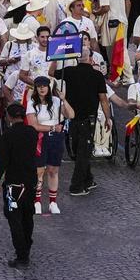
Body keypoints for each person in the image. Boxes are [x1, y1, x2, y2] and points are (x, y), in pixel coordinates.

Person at [57, 47, 108, 196]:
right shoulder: (97, 75)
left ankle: (88, 179)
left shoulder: (69, 72)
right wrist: (108, 118)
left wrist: (55, 57)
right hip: (88, 120)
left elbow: (51, 72)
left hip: (73, 118)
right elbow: (103, 99)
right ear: (91, 59)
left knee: (81, 150)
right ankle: (76, 186)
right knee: (83, 153)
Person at [0, 103, 38, 268]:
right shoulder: (32, 133)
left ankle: (22, 255)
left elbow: (3, 161)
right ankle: (27, 244)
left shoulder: (8, 136)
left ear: (10, 117)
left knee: (14, 218)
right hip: (30, 182)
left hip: (13, 184)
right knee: (28, 216)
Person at [26, 76, 74, 215]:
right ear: (36, 88)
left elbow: (71, 114)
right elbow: (33, 125)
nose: (42, 88)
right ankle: (37, 201)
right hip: (40, 138)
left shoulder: (57, 101)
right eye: (39, 86)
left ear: (48, 87)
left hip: (56, 139)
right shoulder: (32, 103)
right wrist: (53, 128)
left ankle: (53, 201)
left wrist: (64, 99)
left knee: (53, 170)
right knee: (39, 171)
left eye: (44, 85)